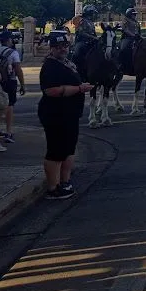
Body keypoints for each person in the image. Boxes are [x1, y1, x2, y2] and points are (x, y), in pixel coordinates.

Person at [38, 32, 94, 199]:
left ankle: (65, 181)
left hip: (70, 113)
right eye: (58, 47)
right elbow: (51, 91)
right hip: (56, 113)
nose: (62, 49)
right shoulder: (50, 66)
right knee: (56, 150)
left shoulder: (67, 63)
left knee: (69, 148)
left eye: (65, 46)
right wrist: (79, 89)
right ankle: (53, 188)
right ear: (52, 48)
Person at [0, 32, 25, 143]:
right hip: (9, 81)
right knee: (9, 105)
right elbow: (18, 69)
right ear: (9, 40)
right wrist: (22, 85)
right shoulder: (13, 53)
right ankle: (8, 132)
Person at [120, 7, 141, 72]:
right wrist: (133, 35)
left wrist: (139, 36)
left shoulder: (136, 22)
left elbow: (139, 31)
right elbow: (125, 29)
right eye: (133, 14)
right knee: (123, 49)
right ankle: (120, 64)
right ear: (129, 14)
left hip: (136, 38)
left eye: (135, 14)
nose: (134, 15)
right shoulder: (125, 20)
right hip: (127, 38)